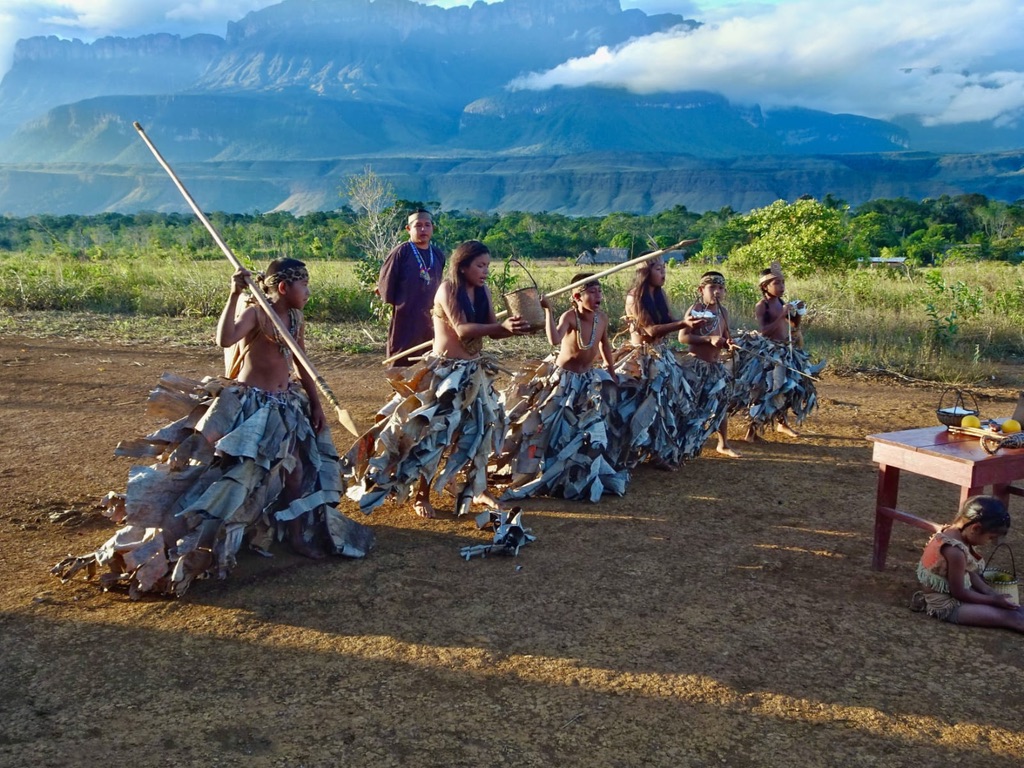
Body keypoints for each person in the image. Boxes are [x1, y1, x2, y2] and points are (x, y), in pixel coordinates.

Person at [52, 258, 374, 597]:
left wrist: (317, 403)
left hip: (286, 404)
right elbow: (224, 338)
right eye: (304, 285)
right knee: (235, 475)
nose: (308, 292)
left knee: (294, 473)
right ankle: (193, 539)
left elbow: (303, 362)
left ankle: (295, 535)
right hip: (252, 407)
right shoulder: (256, 312)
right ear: (283, 287)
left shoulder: (295, 317)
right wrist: (233, 294)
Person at [345, 240, 531, 518]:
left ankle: (478, 489)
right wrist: (499, 326)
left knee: (480, 433)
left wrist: (514, 328)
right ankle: (422, 494)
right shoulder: (447, 289)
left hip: (473, 373)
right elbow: (464, 329)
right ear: (463, 266)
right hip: (444, 375)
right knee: (434, 436)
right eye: (480, 266)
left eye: (487, 266)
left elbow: (492, 330)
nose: (485, 272)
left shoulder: (482, 291)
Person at [494, 274, 629, 501]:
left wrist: (611, 370)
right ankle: (537, 470)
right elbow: (554, 340)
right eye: (592, 292)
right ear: (577, 296)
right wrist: (548, 310)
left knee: (581, 428)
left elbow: (605, 345)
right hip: (564, 381)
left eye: (600, 291)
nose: (598, 296)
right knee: (550, 427)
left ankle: (571, 474)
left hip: (587, 381)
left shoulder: (602, 318)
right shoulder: (570, 317)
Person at [609, 255, 707, 469]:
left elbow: (668, 322)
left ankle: (657, 450)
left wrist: (690, 323)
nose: (664, 273)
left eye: (664, 268)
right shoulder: (634, 297)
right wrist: (682, 323)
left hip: (661, 355)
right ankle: (633, 451)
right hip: (642, 358)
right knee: (643, 406)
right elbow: (650, 330)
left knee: (665, 404)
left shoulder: (659, 294)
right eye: (659, 269)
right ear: (645, 273)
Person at [730, 261, 821, 442]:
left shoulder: (781, 302)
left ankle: (782, 423)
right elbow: (764, 331)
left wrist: (798, 313)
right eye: (777, 283)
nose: (782, 287)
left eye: (783, 282)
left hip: (786, 351)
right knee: (765, 390)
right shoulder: (761, 305)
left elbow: (794, 325)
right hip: (769, 353)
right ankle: (752, 432)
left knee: (789, 388)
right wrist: (781, 314)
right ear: (765, 286)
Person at [913, 496, 1024, 633]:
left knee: (1016, 608)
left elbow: (969, 572)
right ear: (976, 528)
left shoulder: (955, 533)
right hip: (948, 604)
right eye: (990, 537)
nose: (988, 542)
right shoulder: (955, 551)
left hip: (960, 593)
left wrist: (990, 592)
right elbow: (959, 593)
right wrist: (993, 600)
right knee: (1011, 617)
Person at [678, 271, 740, 458]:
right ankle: (684, 443)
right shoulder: (695, 309)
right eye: (712, 287)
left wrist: (730, 343)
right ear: (701, 290)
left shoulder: (723, 312)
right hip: (695, 366)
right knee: (692, 404)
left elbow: (726, 336)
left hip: (715, 365)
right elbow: (683, 337)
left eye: (720, 288)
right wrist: (708, 339)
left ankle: (723, 443)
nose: (716, 292)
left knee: (721, 401)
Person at [377, 209, 446, 366]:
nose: (423, 229)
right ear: (408, 229)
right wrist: (402, 305)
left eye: (427, 225)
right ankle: (399, 388)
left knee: (430, 357)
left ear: (432, 228)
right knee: (402, 356)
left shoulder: (437, 254)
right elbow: (387, 284)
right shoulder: (401, 253)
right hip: (406, 316)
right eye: (418, 225)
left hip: (430, 317)